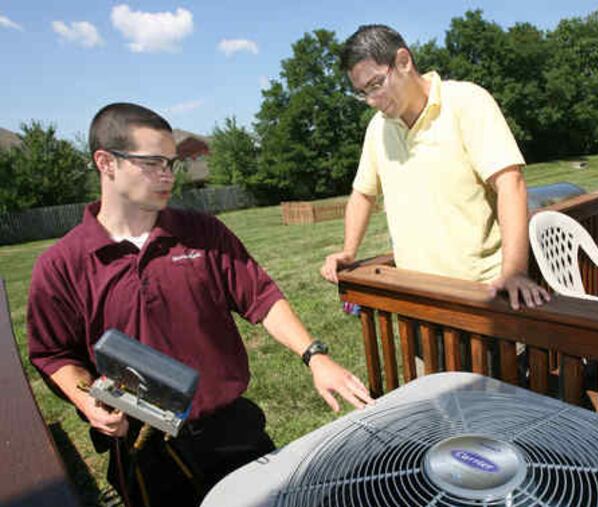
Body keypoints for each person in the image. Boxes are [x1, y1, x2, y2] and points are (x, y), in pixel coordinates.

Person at [26, 103, 373, 506]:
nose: (167, 176)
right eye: (152, 162)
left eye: (171, 163)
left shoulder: (203, 232)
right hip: (144, 450)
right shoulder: (61, 265)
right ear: (106, 162)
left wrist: (314, 356)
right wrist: (88, 402)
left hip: (232, 435)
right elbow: (52, 354)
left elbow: (261, 297)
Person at [320, 24, 549, 310]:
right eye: (363, 92)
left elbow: (510, 182)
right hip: (419, 298)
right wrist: (348, 250)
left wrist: (514, 271)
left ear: (403, 61)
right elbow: (362, 194)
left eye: (376, 85)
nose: (371, 101)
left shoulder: (466, 102)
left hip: (485, 295)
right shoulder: (378, 129)